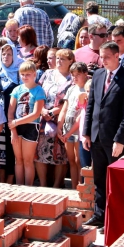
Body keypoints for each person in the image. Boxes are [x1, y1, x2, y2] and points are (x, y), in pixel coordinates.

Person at [82, 42, 124, 229]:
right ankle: (100, 215)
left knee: (115, 181)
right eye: (101, 56)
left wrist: (120, 139)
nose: (103, 60)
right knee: (99, 178)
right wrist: (86, 133)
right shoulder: (98, 75)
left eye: (107, 57)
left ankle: (115, 217)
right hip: (97, 136)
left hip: (115, 139)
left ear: (116, 57)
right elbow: (90, 105)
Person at [36, 48, 74, 188]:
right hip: (43, 118)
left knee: (61, 155)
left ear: (70, 61)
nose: (58, 61)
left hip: (61, 120)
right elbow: (37, 92)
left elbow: (70, 101)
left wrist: (53, 112)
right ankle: (43, 184)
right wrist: (42, 110)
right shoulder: (47, 74)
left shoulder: (72, 78)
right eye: (57, 58)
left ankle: (57, 185)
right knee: (40, 152)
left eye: (62, 59)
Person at [8, 61, 46, 186]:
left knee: (28, 160)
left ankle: (28, 188)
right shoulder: (17, 89)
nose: (25, 77)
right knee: (18, 160)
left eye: (28, 74)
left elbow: (36, 113)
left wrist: (16, 122)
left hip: (31, 126)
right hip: (16, 127)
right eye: (22, 74)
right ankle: (19, 186)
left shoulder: (39, 90)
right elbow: (10, 111)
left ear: (34, 74)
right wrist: (13, 130)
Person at [0, 41, 21, 184]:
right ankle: (0, 180)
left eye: (9, 54)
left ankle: (10, 180)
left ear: (14, 55)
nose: (6, 56)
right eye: (3, 53)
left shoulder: (18, 74)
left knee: (10, 149)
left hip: (12, 117)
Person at [58, 62, 88, 186]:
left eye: (78, 74)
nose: (75, 77)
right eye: (73, 75)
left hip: (78, 131)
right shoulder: (71, 89)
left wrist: (69, 132)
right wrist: (59, 126)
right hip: (67, 129)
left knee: (79, 160)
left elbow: (82, 116)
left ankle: (81, 186)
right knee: (71, 161)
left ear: (85, 74)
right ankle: (74, 187)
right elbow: (65, 108)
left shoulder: (87, 89)